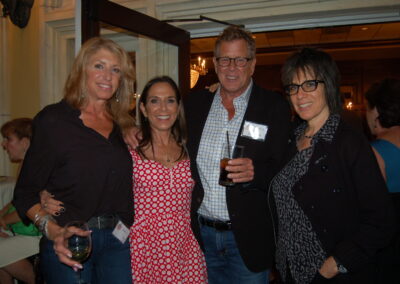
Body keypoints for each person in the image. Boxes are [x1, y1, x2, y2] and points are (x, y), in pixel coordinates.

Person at [12, 37, 135, 284]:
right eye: (99, 66)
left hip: (117, 240)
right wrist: (53, 231)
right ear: (81, 71)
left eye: (115, 70)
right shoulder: (54, 120)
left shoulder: (123, 124)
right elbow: (25, 193)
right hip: (71, 238)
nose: (107, 76)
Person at [270, 47, 394, 283]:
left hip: (328, 274)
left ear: (328, 85)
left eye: (309, 84)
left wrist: (333, 265)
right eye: (293, 87)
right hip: (289, 270)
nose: (300, 95)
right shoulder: (291, 138)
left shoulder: (348, 143)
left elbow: (381, 222)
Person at [184, 25, 291, 283]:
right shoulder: (196, 104)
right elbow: (162, 130)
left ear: (252, 65)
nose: (232, 67)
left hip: (248, 239)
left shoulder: (273, 107)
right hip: (202, 236)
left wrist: (257, 173)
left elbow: (286, 170)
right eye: (225, 59)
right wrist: (133, 130)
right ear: (215, 63)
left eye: (240, 60)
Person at [129, 76, 207, 283]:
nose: (163, 108)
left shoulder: (189, 147)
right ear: (144, 109)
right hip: (144, 250)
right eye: (155, 100)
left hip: (185, 247)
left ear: (178, 107)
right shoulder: (130, 151)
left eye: (170, 100)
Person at [364, 78, 400, 283]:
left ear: (376, 111)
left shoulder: (375, 152)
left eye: (367, 109)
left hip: (389, 245)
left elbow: (372, 211)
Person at [0, 118, 40, 284]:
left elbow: (29, 208)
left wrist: (2, 220)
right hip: (22, 228)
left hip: (38, 232)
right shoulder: (24, 164)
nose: (3, 144)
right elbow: (17, 201)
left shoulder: (36, 168)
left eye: (8, 139)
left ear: (25, 142)